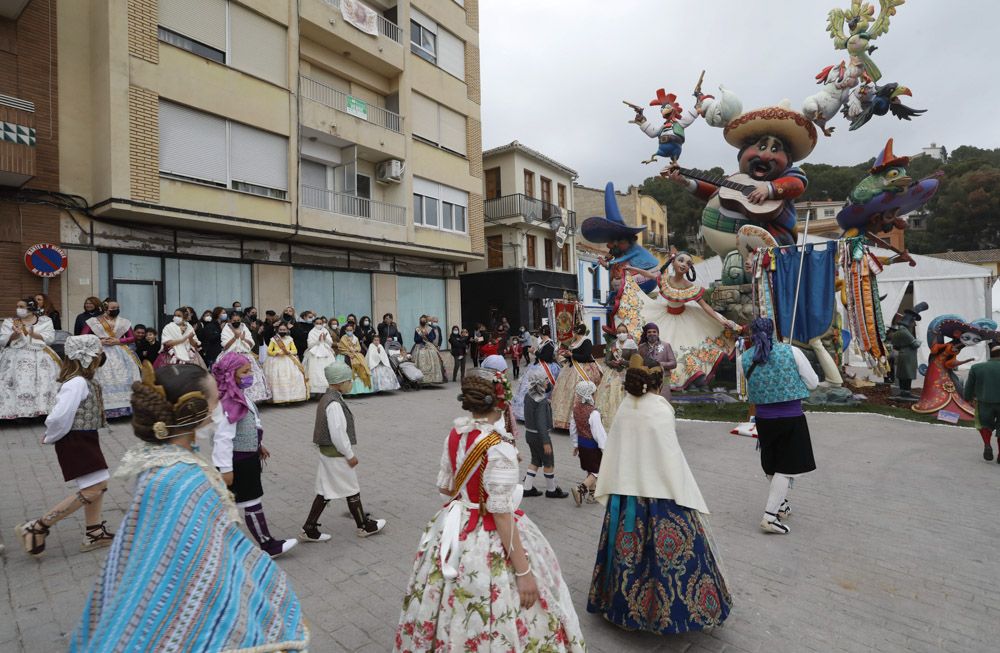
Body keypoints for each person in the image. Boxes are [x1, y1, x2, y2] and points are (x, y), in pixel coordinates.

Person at [68, 362, 309, 652]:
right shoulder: (184, 479)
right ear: (196, 411)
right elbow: (204, 559)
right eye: (214, 400)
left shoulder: (158, 459)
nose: (219, 405)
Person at [394, 368, 586, 651]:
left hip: (455, 525)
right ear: (501, 402)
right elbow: (501, 514)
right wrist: (523, 573)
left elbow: (447, 489)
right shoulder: (500, 447)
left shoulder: (456, 434)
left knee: (446, 598)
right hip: (489, 532)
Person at [587, 356, 732, 633]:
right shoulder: (662, 410)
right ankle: (671, 614)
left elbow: (616, 451)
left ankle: (623, 609)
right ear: (659, 381)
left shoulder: (624, 408)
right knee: (673, 558)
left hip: (626, 495)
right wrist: (683, 489)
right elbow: (670, 456)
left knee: (625, 554)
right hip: (663, 494)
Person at [15, 335, 114, 556]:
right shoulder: (77, 383)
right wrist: (52, 435)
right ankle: (37, 527)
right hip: (75, 441)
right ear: (87, 358)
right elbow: (59, 416)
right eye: (98, 355)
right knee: (94, 488)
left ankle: (94, 531)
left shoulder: (83, 381)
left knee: (97, 483)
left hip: (84, 438)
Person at [212, 353, 297, 557]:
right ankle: (267, 545)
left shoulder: (240, 395)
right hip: (238, 462)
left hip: (248, 456)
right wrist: (225, 469)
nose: (250, 375)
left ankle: (222, 544)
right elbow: (222, 439)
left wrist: (259, 444)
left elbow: (252, 423)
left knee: (233, 503)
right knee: (251, 502)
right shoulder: (229, 402)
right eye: (245, 372)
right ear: (232, 375)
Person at [741, 317, 819, 534]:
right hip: (791, 418)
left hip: (764, 420)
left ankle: (781, 504)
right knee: (786, 469)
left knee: (772, 464)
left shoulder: (744, 358)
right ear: (773, 331)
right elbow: (813, 383)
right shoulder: (791, 352)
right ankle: (769, 516)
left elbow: (749, 389)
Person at [301, 360, 387, 542]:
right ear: (339, 383)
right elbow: (338, 435)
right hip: (336, 454)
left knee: (325, 490)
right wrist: (350, 455)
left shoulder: (329, 398)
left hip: (328, 453)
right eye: (349, 380)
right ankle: (363, 526)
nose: (351, 382)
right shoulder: (334, 404)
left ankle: (309, 528)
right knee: (352, 488)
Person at [0, 298, 60, 419]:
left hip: (40, 354)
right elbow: (2, 340)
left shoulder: (45, 321)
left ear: (31, 308)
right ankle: (17, 413)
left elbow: (50, 338)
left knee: (42, 381)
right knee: (16, 382)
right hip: (15, 355)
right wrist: (15, 334)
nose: (18, 309)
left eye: (22, 307)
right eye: (17, 306)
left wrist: (34, 334)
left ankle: (42, 411)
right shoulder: (10, 322)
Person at [82, 298, 142, 418]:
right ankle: (103, 409)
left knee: (125, 377)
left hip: (121, 353)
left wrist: (119, 340)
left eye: (117, 308)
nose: (116, 310)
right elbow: (83, 336)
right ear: (105, 308)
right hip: (101, 354)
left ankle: (126, 408)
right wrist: (99, 340)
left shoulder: (124, 322)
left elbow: (132, 337)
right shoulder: (94, 322)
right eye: (113, 308)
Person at [521, 368, 568, 499]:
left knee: (535, 460)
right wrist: (546, 441)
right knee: (548, 462)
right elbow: (541, 423)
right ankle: (551, 490)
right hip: (540, 436)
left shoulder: (528, 395)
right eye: (546, 380)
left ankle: (527, 488)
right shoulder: (540, 401)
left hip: (529, 434)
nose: (548, 382)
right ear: (540, 382)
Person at [550, 323, 603, 430]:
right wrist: (566, 356)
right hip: (571, 369)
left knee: (576, 392)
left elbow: (586, 356)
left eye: (574, 331)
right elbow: (572, 357)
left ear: (577, 332)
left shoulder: (586, 341)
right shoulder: (574, 342)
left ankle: (578, 420)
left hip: (584, 369)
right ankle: (563, 420)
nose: (572, 334)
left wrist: (572, 355)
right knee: (565, 391)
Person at [570, 380, 608, 506]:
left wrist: (575, 444)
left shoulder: (576, 409)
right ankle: (580, 489)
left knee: (590, 470)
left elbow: (573, 428)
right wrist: (604, 448)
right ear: (589, 394)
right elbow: (599, 433)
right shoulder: (593, 412)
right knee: (598, 470)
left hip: (582, 444)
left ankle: (592, 495)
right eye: (593, 393)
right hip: (592, 446)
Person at [220, 311, 271, 403]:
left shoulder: (244, 327)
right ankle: (232, 399)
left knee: (248, 376)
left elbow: (251, 343)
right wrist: (235, 337)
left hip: (245, 355)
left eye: (238, 320)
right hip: (231, 357)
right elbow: (225, 346)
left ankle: (249, 399)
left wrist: (243, 339)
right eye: (234, 320)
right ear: (230, 320)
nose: (236, 322)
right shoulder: (226, 329)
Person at [512, 324, 560, 422]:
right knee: (526, 387)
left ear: (542, 333)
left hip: (545, 368)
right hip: (538, 366)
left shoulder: (549, 344)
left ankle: (535, 412)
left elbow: (546, 357)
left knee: (537, 388)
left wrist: (534, 352)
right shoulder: (544, 342)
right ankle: (525, 413)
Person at [595, 323, 639, 428]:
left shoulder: (632, 344)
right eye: (619, 332)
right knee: (609, 396)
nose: (621, 334)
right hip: (613, 373)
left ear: (627, 333)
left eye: (623, 332)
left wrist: (623, 362)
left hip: (627, 373)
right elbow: (607, 360)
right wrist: (612, 363)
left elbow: (635, 361)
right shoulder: (613, 344)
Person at [964, 345, 1000, 463]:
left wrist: (967, 398)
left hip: (984, 402)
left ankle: (987, 445)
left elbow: (969, 386)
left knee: (984, 425)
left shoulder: (977, 367)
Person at [264, 322, 309, 404]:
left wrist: (288, 352)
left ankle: (291, 397)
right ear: (277, 330)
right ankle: (279, 399)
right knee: (278, 378)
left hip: (289, 360)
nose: (282, 331)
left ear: (287, 330)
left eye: (284, 329)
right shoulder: (274, 339)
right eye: (280, 329)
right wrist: (277, 352)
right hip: (276, 361)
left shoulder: (290, 339)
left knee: (292, 377)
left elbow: (295, 350)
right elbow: (269, 351)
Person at [636, 322, 678, 401]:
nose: (652, 334)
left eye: (654, 332)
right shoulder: (641, 347)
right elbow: (638, 363)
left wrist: (660, 364)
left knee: (664, 399)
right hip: (647, 377)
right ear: (646, 334)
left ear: (658, 333)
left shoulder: (666, 345)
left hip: (664, 377)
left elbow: (673, 363)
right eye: (649, 332)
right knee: (648, 400)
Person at [889, 310, 921, 400]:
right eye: (913, 321)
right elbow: (915, 344)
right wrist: (919, 341)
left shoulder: (902, 330)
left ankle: (905, 391)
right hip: (907, 355)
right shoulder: (904, 331)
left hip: (905, 354)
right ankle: (905, 392)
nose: (914, 324)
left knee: (905, 374)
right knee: (907, 374)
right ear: (909, 321)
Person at [304, 316, 338, 395]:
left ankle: (328, 389)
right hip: (315, 353)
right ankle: (317, 392)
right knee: (316, 371)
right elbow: (309, 345)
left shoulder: (325, 330)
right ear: (314, 323)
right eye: (317, 323)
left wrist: (325, 338)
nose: (319, 324)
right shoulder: (311, 332)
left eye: (320, 323)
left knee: (327, 370)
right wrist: (318, 340)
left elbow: (330, 343)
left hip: (326, 352)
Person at [338, 321, 373, 395]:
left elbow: (359, 347)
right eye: (348, 330)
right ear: (345, 331)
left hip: (356, 355)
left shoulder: (355, 338)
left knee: (362, 366)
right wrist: (349, 352)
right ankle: (349, 391)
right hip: (346, 355)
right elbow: (341, 348)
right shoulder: (343, 338)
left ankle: (361, 390)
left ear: (353, 330)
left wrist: (355, 350)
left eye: (351, 330)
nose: (349, 331)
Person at [412, 315, 445, 383]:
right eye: (421, 320)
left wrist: (427, 334)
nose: (423, 321)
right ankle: (420, 379)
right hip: (419, 346)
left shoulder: (430, 329)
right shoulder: (417, 329)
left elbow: (432, 338)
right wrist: (421, 337)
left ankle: (433, 379)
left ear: (426, 321)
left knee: (434, 355)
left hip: (429, 345)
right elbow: (415, 339)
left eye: (424, 320)